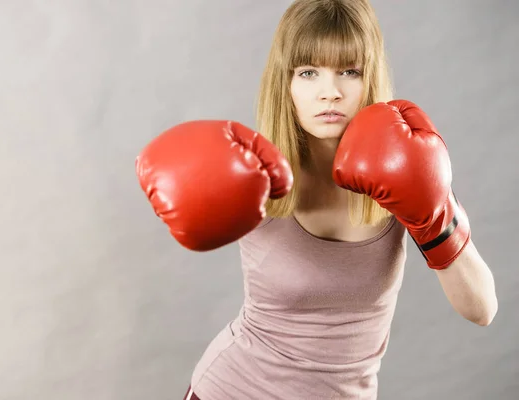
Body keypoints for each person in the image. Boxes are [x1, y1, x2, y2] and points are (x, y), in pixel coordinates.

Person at [135, 0, 499, 398]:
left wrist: (432, 217)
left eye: (349, 71)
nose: (331, 93)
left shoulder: (405, 162)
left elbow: (482, 309)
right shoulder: (257, 174)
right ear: (286, 84)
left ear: (369, 78)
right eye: (309, 73)